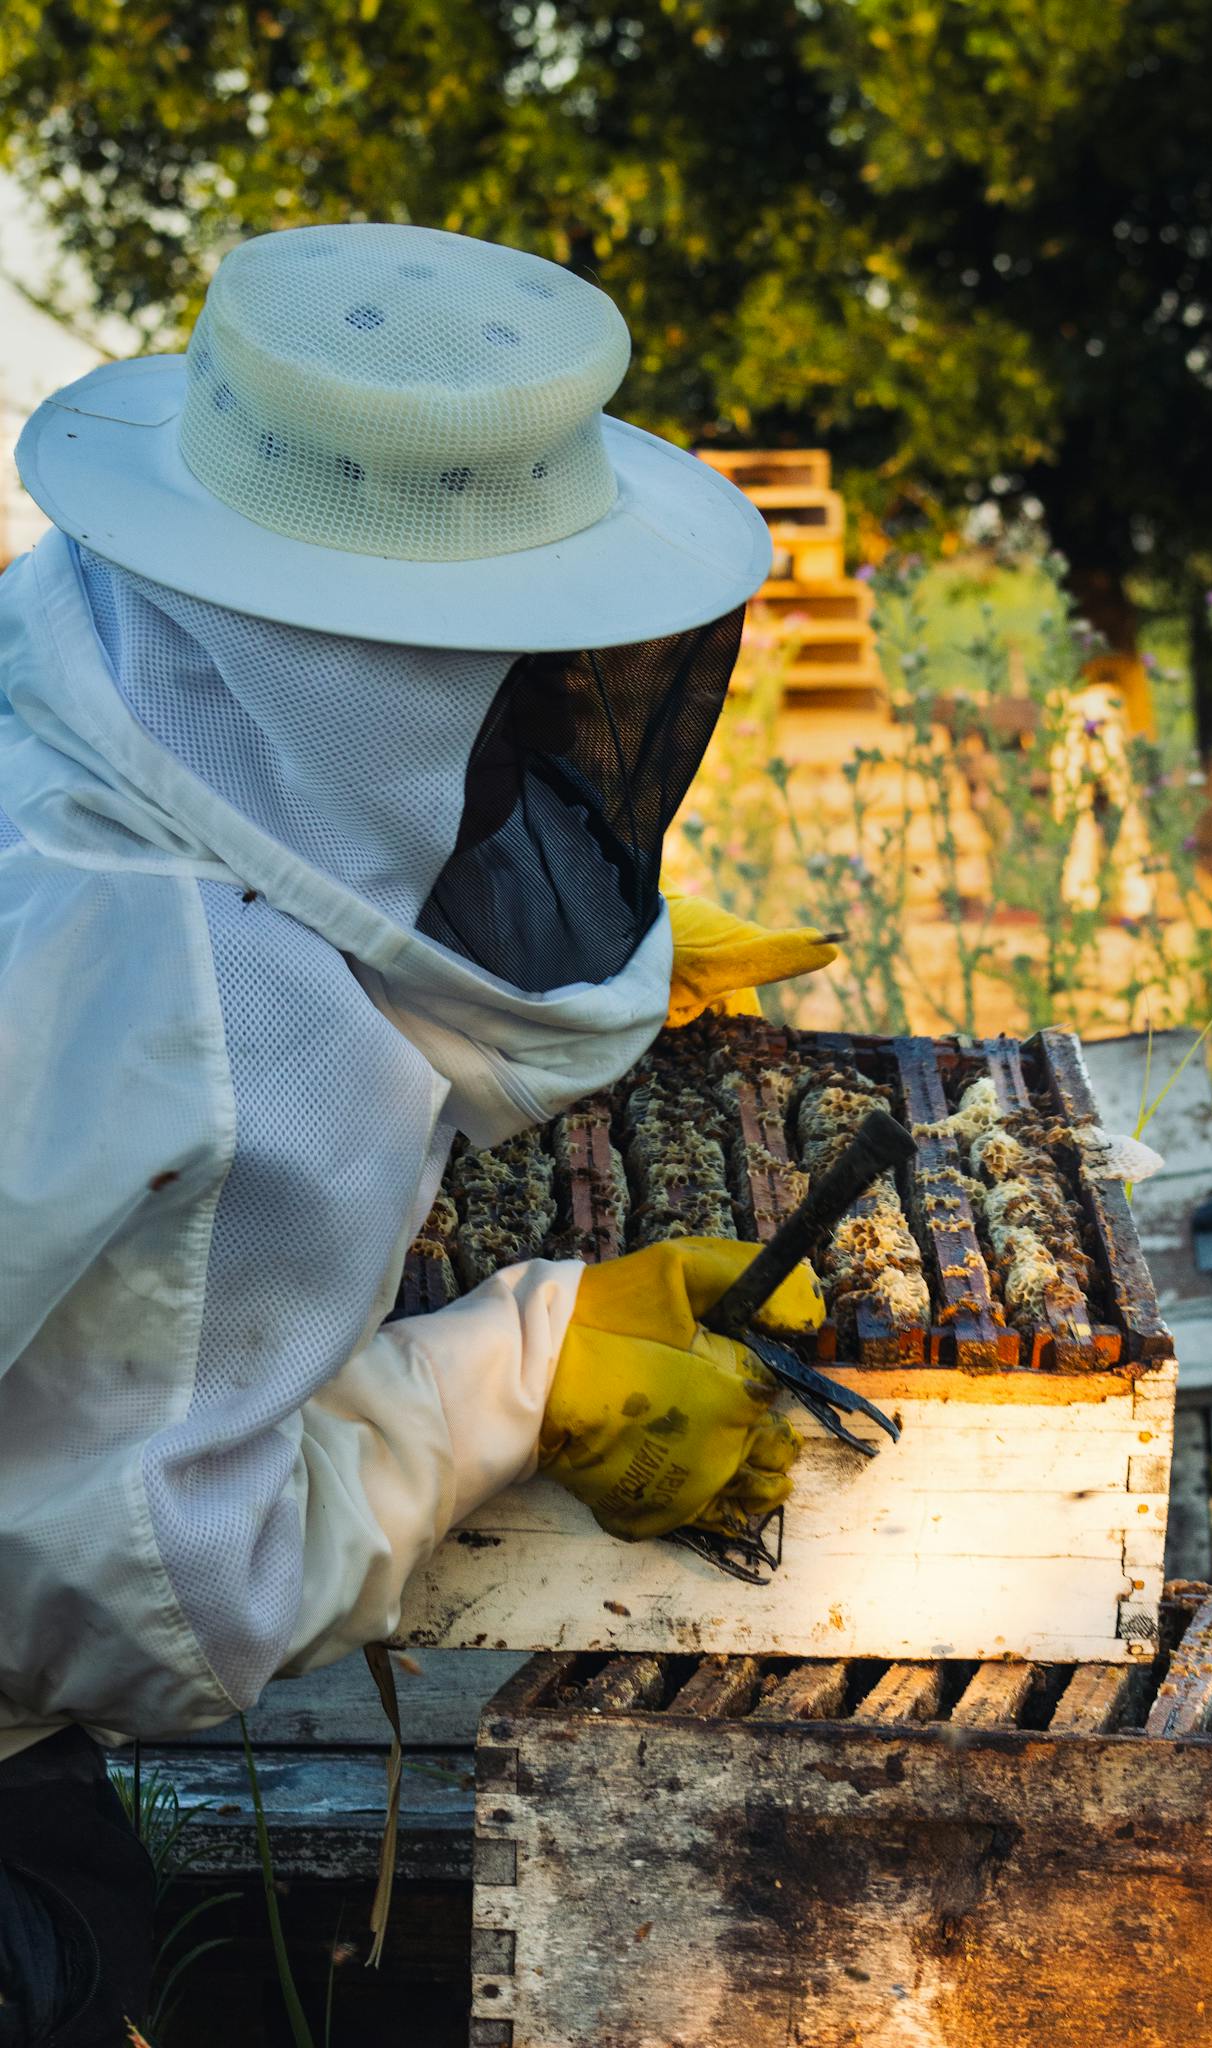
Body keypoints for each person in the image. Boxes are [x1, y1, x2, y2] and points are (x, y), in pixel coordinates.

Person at [0, 221, 837, 2044]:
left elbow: (286, 821)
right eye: (503, 666)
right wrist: (512, 1377)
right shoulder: (175, 1015)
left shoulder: (52, 677)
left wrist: (593, 950)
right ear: (380, 668)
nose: (541, 713)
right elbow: (120, 1595)